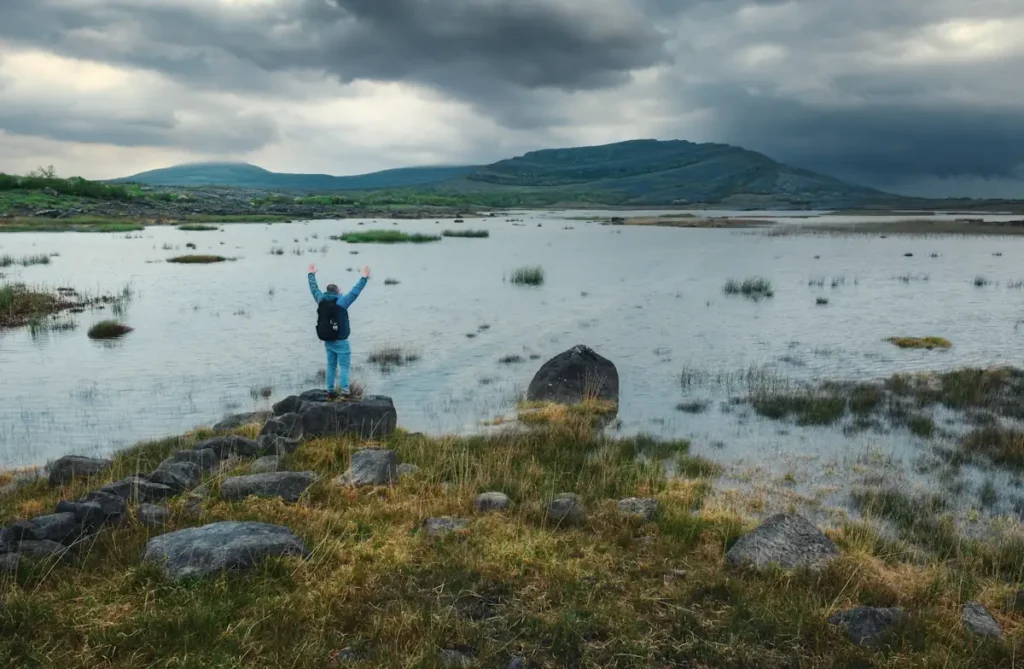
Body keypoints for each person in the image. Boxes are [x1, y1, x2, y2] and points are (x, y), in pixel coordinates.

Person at [308, 263, 371, 400]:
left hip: (328, 340)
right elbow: (355, 291)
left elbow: (314, 289)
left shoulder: (321, 299)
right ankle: (345, 392)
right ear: (337, 291)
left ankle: (330, 391)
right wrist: (364, 277)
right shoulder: (342, 302)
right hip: (341, 341)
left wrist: (311, 274)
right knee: (344, 367)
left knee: (331, 366)